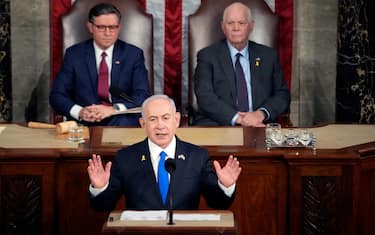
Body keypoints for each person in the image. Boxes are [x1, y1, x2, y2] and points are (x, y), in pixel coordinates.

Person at [87, 94, 241, 210]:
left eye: (166, 118)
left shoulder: (197, 156)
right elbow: (103, 206)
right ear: (143, 124)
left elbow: (218, 203)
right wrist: (100, 188)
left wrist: (225, 186)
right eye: (153, 119)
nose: (160, 125)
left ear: (176, 120)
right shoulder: (126, 157)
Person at [50, 3, 150, 126]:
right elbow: (57, 95)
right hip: (86, 122)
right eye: (101, 27)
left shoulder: (133, 55)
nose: (107, 33)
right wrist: (80, 111)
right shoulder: (74, 54)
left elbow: (142, 95)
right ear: (90, 27)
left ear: (119, 28)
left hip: (121, 120)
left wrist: (113, 110)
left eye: (112, 27)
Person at [193, 2, 290, 127]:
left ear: (251, 26)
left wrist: (260, 114)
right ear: (223, 26)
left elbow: (282, 94)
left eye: (241, 23)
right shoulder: (207, 56)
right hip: (219, 125)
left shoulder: (268, 56)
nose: (236, 28)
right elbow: (204, 96)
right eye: (230, 23)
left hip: (260, 125)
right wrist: (238, 118)